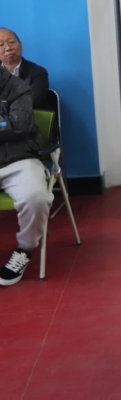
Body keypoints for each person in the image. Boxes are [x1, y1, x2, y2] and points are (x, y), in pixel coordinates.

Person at [0, 67, 54, 286]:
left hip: (18, 159)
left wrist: (5, 124)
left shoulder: (17, 87)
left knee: (36, 198)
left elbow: (19, 125)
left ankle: (24, 249)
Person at [0, 28, 50, 110]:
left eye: (12, 42)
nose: (8, 48)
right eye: (1, 45)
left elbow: (33, 103)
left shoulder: (38, 73)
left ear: (21, 46)